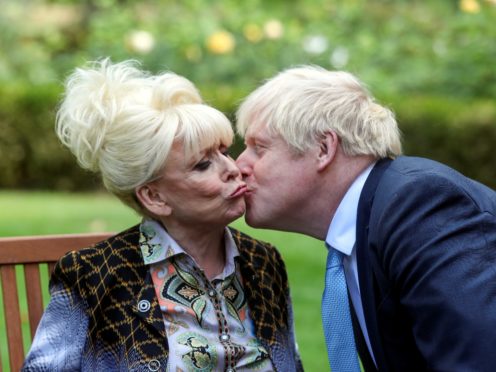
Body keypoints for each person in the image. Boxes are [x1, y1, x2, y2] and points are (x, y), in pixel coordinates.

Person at [23, 59, 302, 372]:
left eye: (223, 151)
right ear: (154, 197)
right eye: (203, 164)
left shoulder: (263, 262)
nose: (232, 168)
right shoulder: (93, 275)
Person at [235, 65, 496, 371]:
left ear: (323, 148)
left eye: (258, 148)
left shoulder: (418, 206)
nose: (238, 165)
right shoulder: (368, 221)